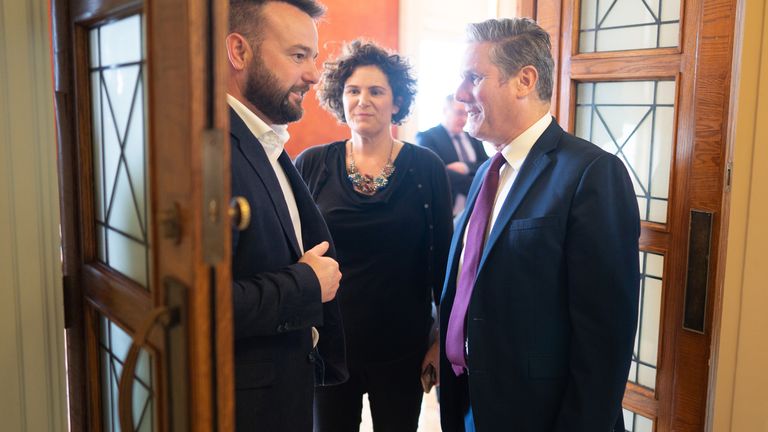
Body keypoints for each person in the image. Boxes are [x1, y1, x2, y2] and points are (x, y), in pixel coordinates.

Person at [438, 18, 640, 432]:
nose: (460, 95)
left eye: (473, 78)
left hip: (541, 415)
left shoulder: (591, 173)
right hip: (470, 401)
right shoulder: (486, 173)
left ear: (524, 80)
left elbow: (604, 338)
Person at [295, 40, 453, 432]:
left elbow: (443, 266)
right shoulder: (312, 163)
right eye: (353, 91)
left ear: (396, 102)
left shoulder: (426, 168)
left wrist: (439, 341)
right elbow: (293, 254)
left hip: (403, 349)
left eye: (376, 91)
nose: (362, 100)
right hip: (329, 347)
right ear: (339, 98)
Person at [225, 1, 347, 430]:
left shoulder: (264, 140)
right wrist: (306, 284)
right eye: (298, 56)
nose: (314, 74)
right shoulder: (212, 149)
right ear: (239, 52)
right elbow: (201, 306)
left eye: (313, 57)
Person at [416, 95, 489, 216]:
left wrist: (466, 167)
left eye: (466, 113)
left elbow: (486, 165)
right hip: (444, 210)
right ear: (445, 111)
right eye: (459, 113)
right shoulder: (427, 137)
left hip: (475, 210)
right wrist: (476, 186)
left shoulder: (473, 137)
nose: (464, 119)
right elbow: (436, 172)